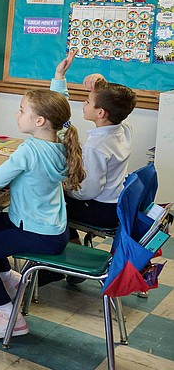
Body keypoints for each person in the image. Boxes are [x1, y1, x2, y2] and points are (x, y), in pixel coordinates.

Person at [0, 89, 83, 339]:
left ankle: (6, 315)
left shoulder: (30, 150)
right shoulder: (61, 144)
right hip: (52, 230)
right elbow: (56, 104)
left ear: (40, 121)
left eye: (22, 110)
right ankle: (8, 279)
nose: (17, 114)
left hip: (36, 232)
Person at [52, 50, 136, 233]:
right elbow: (116, 100)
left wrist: (65, 188)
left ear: (100, 113)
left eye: (87, 101)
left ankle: (58, 249)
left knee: (52, 201)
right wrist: (100, 81)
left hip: (100, 210)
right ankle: (70, 241)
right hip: (115, 204)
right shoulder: (122, 126)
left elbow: (87, 192)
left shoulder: (96, 147)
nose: (84, 103)